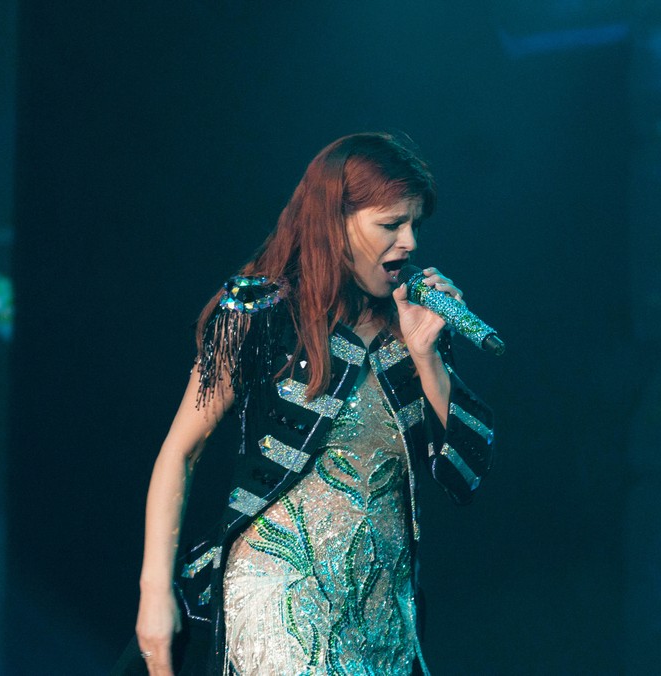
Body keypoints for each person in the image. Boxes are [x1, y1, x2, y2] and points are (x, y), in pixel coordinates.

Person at [124, 132, 495, 675]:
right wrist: (154, 594)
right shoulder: (259, 310)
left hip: (380, 615)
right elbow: (181, 451)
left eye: (415, 225)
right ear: (335, 222)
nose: (410, 241)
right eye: (391, 224)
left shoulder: (415, 328)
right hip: (278, 587)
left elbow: (464, 478)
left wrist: (427, 355)